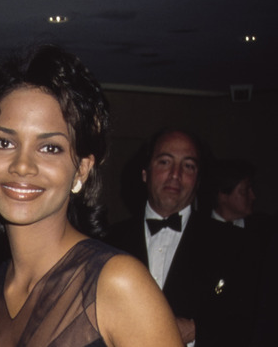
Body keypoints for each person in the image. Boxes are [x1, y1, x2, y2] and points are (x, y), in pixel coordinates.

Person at [0, 46, 182, 347]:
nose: (22, 165)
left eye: (50, 148)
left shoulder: (117, 283)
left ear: (81, 170)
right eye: (4, 142)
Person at [106, 129, 255, 347]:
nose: (175, 174)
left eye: (188, 166)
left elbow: (251, 322)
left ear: (198, 179)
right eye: (165, 162)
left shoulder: (235, 244)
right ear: (145, 173)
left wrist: (197, 331)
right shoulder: (107, 241)